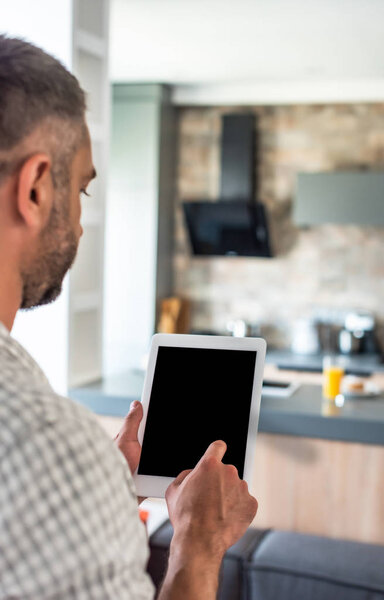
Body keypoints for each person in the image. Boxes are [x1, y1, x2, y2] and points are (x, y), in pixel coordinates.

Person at [0, 35, 258, 599]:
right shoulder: (44, 442)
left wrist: (100, 493)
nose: (83, 224)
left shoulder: (55, 460)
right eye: (82, 190)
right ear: (37, 188)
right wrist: (198, 539)